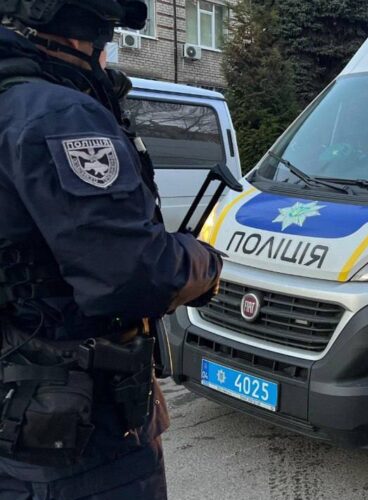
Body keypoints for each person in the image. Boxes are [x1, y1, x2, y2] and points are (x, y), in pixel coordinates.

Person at [0, 1, 223, 498]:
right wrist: (205, 264)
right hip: (75, 436)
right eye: (107, 41)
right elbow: (135, 276)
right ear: (81, 36)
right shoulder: (59, 113)